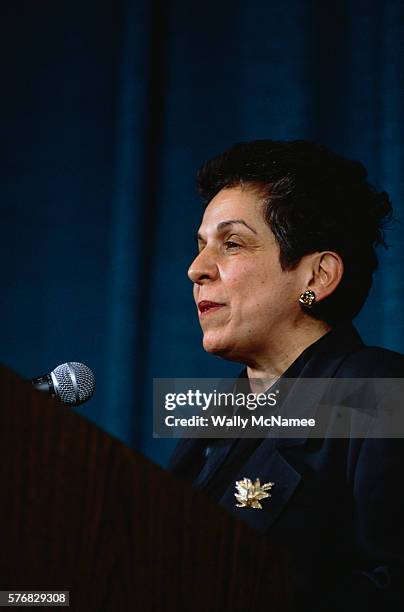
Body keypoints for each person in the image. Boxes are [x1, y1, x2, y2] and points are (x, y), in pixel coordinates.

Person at [168, 140, 404, 611]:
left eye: (231, 243)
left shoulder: (380, 393)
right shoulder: (216, 422)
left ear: (317, 277)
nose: (196, 269)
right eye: (200, 247)